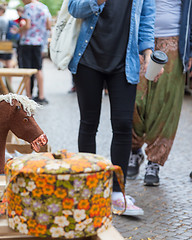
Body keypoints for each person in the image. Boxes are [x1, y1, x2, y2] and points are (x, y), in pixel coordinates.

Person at [68, 0, 160, 216]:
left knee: (123, 125)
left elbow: (146, 20)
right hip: (88, 58)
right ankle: (89, 190)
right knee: (89, 123)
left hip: (124, 62)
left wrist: (148, 53)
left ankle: (117, 193)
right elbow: (73, 8)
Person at [128, 0, 192, 186]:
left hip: (173, 43)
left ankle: (154, 162)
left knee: (165, 105)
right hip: (138, 42)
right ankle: (134, 150)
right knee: (133, 100)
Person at [20, 0, 51, 104]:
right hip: (39, 42)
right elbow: (48, 26)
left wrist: (20, 29)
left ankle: (28, 96)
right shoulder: (44, 7)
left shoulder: (28, 7)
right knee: (39, 69)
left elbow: (27, 25)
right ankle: (41, 96)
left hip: (27, 42)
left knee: (27, 70)